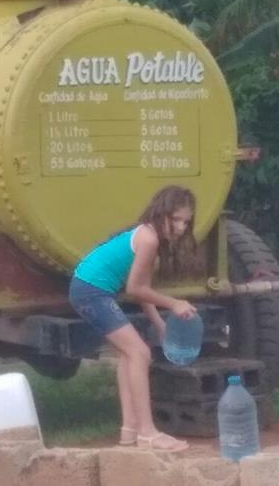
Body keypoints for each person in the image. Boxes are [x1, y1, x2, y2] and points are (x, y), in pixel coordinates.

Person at [68, 185, 199, 452]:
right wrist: (174, 303)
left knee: (130, 355)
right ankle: (148, 433)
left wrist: (159, 324)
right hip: (91, 291)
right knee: (140, 353)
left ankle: (129, 431)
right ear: (161, 213)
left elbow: (142, 290)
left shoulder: (151, 239)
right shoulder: (148, 239)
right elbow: (135, 289)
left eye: (186, 221)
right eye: (176, 219)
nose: (181, 227)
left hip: (91, 290)